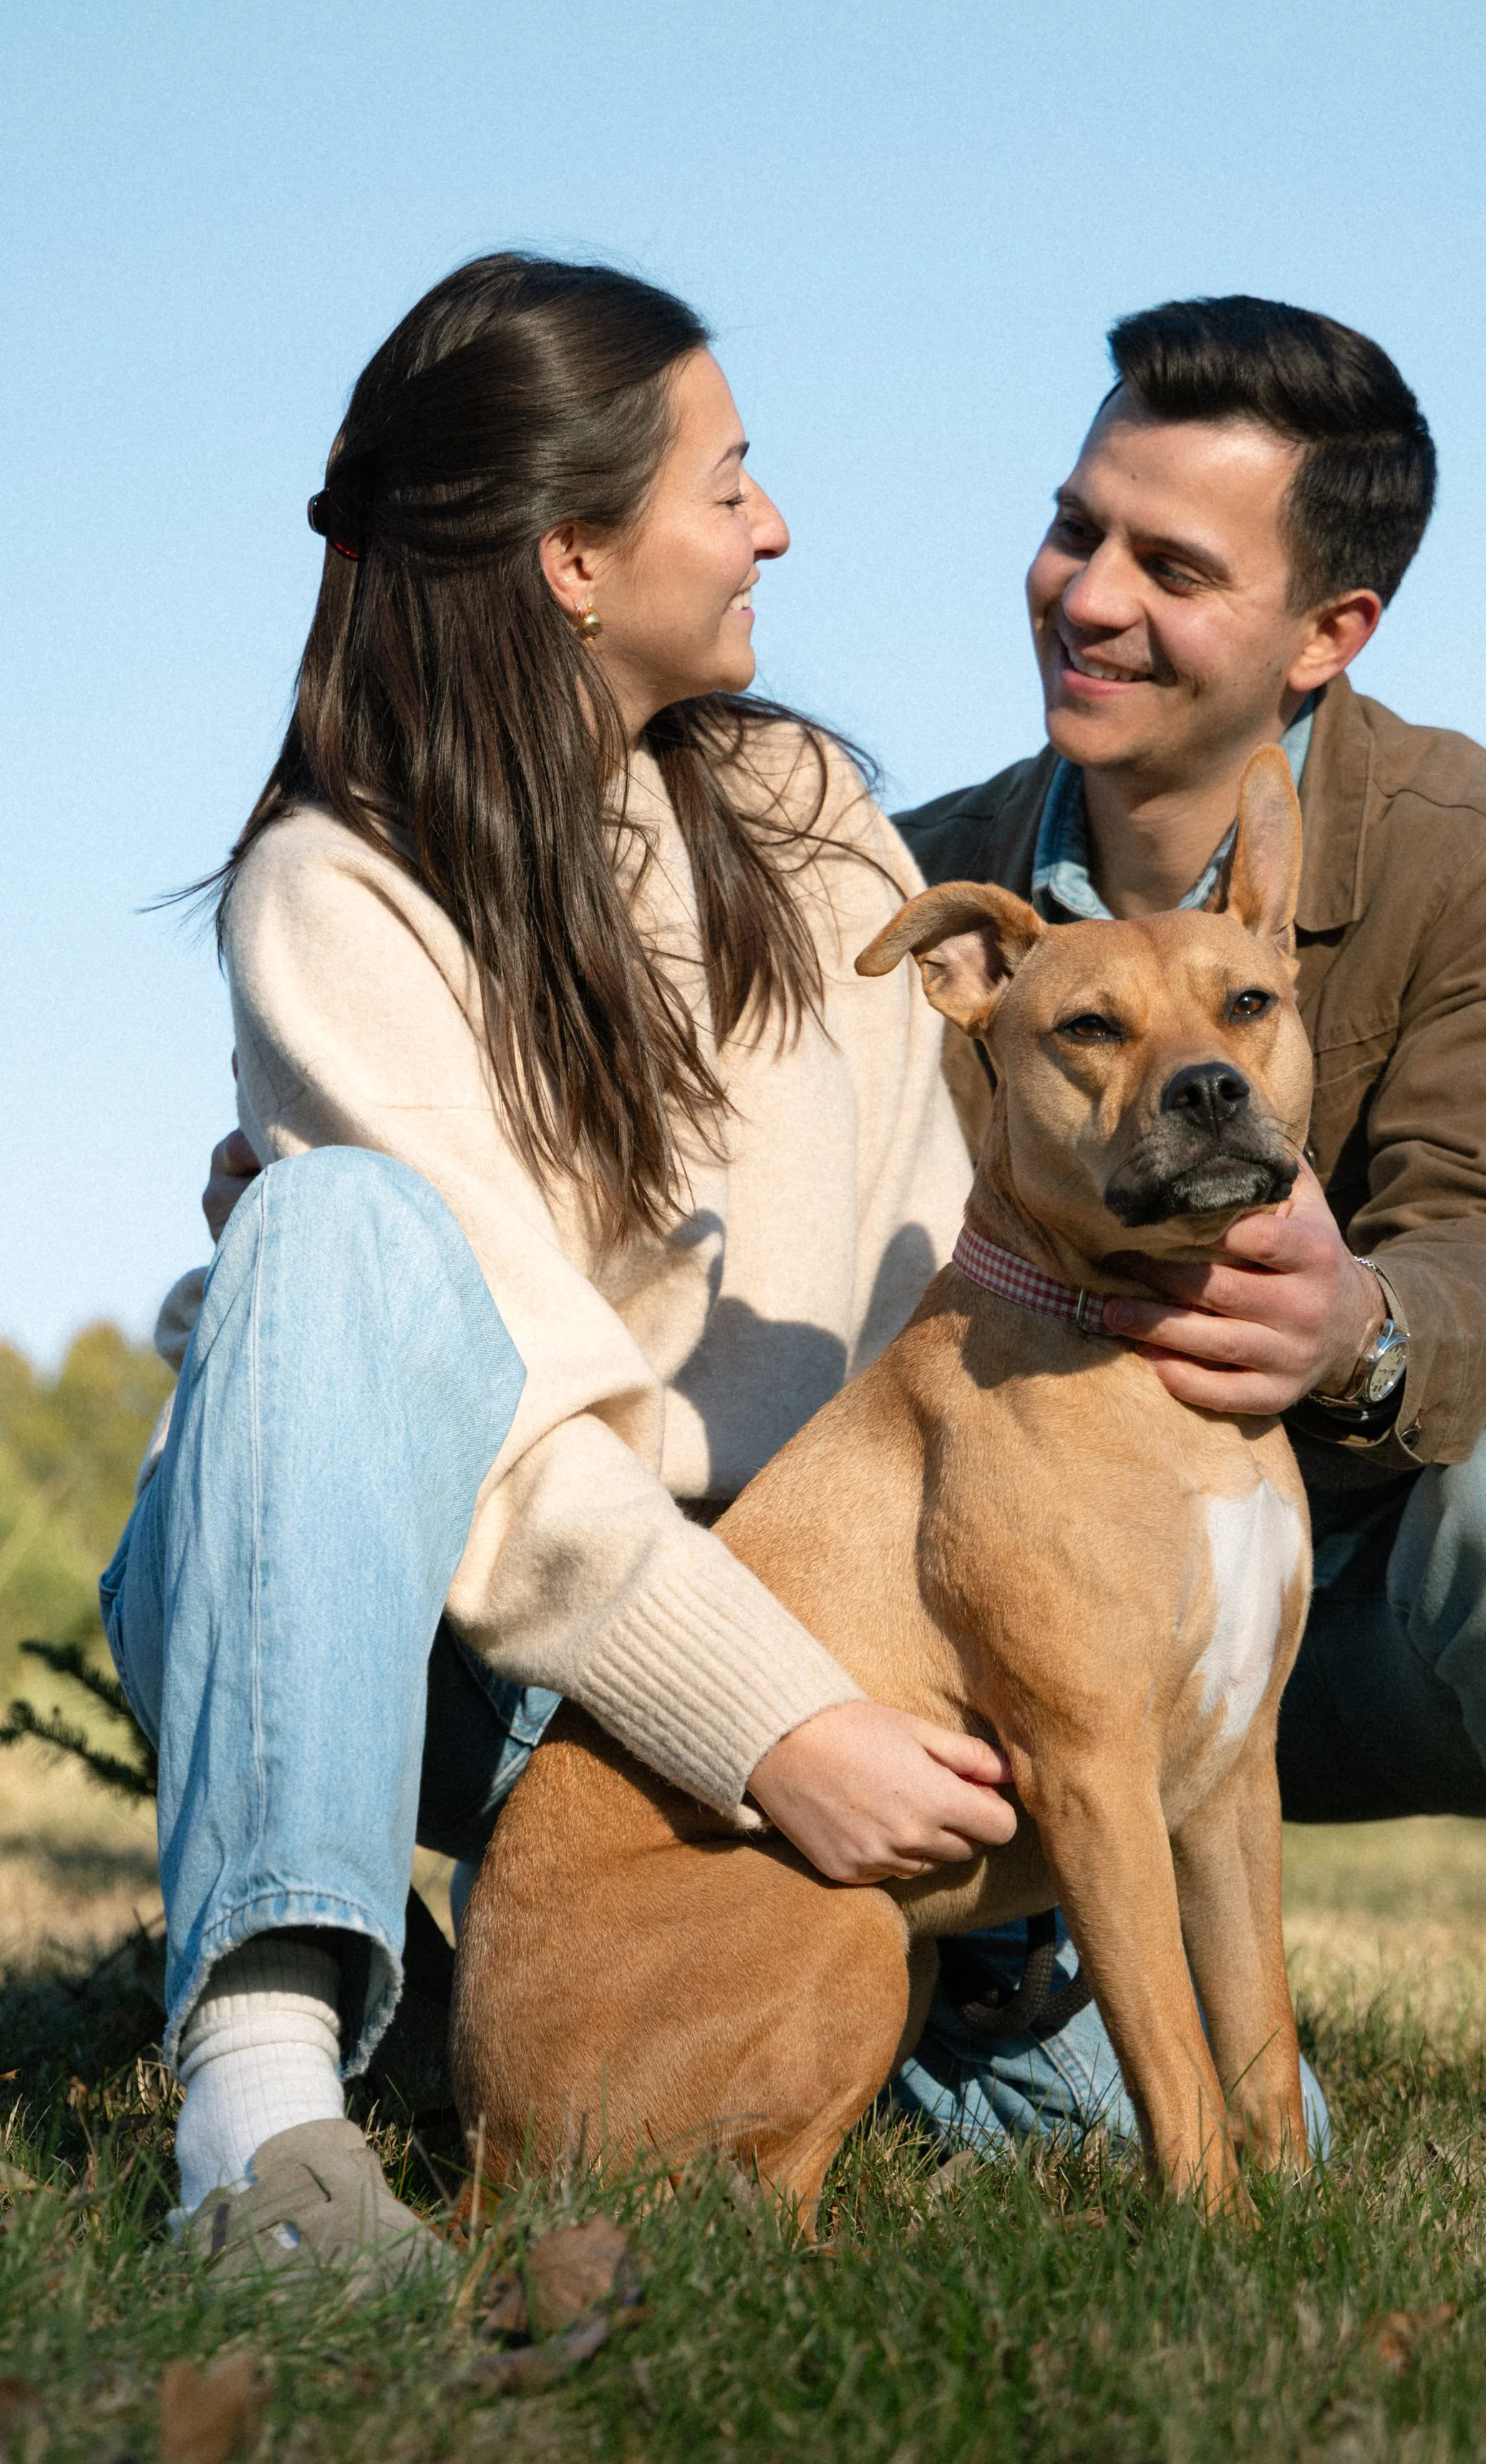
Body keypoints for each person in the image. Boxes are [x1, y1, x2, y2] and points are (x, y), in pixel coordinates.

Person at [114, 252, 1019, 2282]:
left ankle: (497, 2008)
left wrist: (912, 1671)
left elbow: (931, 1278)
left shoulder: (800, 812)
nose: (773, 523)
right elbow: (515, 1428)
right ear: (571, 558)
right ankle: (263, 2121)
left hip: (806, 1612)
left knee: (1074, 2111)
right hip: (444, 1635)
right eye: (727, 482)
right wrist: (775, 1723)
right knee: (329, 1230)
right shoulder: (334, 887)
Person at [893, 293, 1486, 2158]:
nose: (1085, 593)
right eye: (1075, 528)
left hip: (1388, 1592)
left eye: (1169, 564)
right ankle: (980, 1971)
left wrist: (1353, 1328)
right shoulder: (912, 878)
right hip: (1046, 1610)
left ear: (1327, 631)